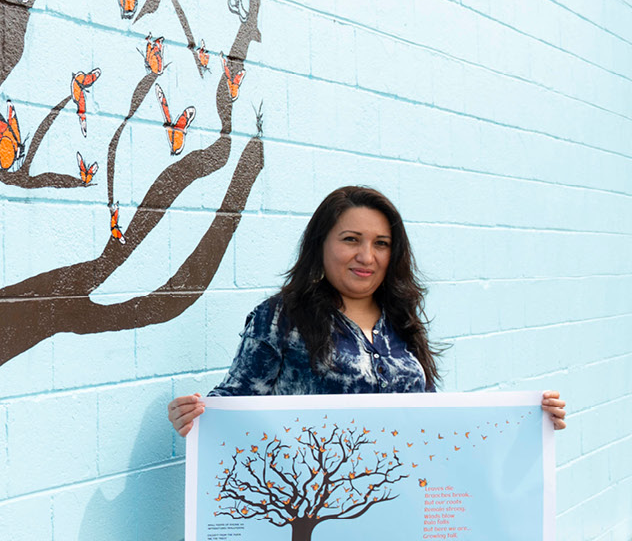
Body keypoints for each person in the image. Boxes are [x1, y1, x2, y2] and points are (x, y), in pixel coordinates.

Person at [167, 185, 567, 436]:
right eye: (351, 239)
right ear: (321, 244)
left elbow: (434, 423)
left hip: (399, 508)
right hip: (316, 511)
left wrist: (530, 421)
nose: (366, 256)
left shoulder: (402, 321)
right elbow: (233, 402)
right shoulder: (281, 317)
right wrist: (193, 415)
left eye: (381, 243)